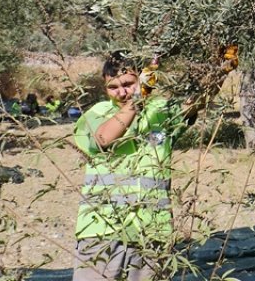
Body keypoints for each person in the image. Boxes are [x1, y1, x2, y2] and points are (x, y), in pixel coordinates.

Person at [71, 50, 229, 281]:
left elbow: (195, 103)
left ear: (141, 80)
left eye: (128, 84)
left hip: (152, 233)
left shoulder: (161, 111)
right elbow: (103, 139)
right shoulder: (97, 114)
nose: (122, 92)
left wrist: (221, 70)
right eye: (113, 87)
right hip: (102, 232)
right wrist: (137, 101)